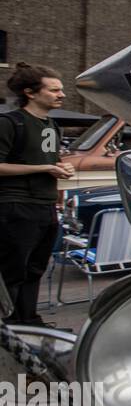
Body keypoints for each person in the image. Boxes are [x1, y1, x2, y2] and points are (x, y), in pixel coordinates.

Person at [0, 64, 74, 326]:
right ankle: (8, 326)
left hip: (45, 207)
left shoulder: (52, 126)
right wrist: (43, 167)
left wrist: (61, 166)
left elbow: (49, 159)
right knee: (13, 271)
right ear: (31, 93)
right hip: (16, 207)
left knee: (34, 270)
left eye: (61, 90)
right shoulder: (10, 123)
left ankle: (28, 321)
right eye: (54, 90)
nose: (61, 94)